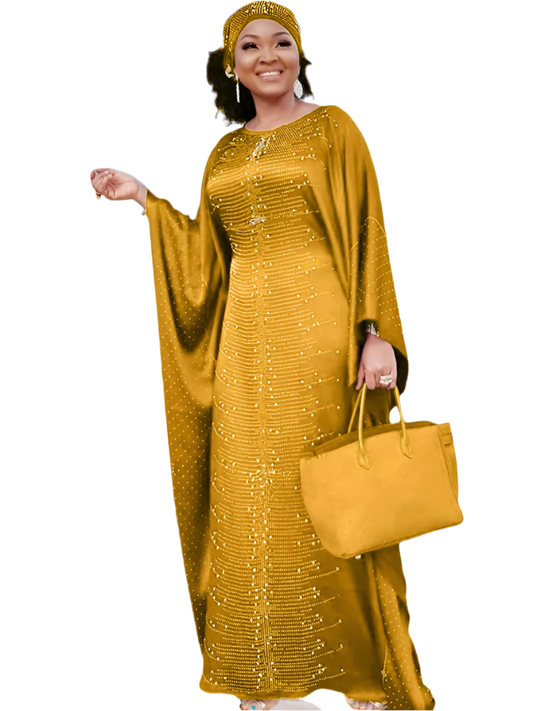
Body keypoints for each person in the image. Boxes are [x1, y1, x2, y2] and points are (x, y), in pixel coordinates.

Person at [88, 2, 439, 710]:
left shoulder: (334, 126)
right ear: (230, 64)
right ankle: (269, 679)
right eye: (249, 46)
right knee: (249, 492)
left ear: (300, 55)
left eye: (282, 42)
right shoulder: (220, 153)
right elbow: (206, 260)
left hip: (322, 331)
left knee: (332, 488)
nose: (267, 56)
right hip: (244, 343)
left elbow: (370, 228)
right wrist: (146, 201)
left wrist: (376, 332)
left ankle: (361, 674)